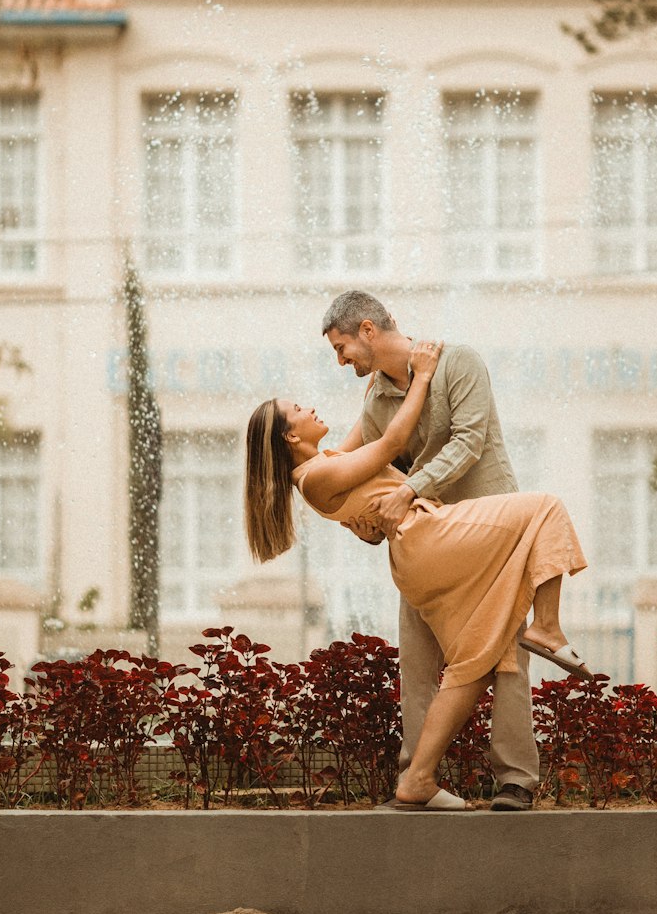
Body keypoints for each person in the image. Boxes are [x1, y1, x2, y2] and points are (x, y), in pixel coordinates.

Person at [244, 341, 590, 811]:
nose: (309, 406)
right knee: (546, 508)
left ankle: (418, 779)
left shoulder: (321, 466)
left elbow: (359, 436)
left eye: (343, 348)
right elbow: (386, 444)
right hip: (427, 538)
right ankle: (546, 627)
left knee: (473, 660)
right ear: (288, 437)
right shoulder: (318, 478)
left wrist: (376, 391)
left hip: (419, 553)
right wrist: (423, 375)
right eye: (298, 409)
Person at [322, 290, 541, 811]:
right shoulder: (376, 402)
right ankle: (415, 779)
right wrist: (367, 518)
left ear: (368, 330)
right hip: (429, 547)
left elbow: (469, 443)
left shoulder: (457, 362)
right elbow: (373, 470)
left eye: (341, 347)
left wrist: (409, 489)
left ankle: (515, 781)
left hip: (492, 537)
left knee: (505, 657)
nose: (340, 361)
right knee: (417, 664)